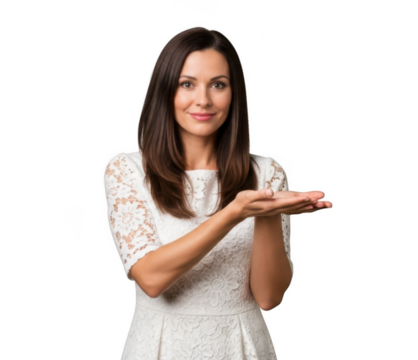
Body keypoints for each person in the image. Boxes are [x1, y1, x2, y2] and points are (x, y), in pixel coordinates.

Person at [103, 27, 333, 359]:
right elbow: (151, 278)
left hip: (243, 347)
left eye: (218, 85)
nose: (204, 100)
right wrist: (235, 213)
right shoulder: (128, 171)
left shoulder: (267, 173)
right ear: (165, 91)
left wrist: (265, 211)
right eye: (187, 84)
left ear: (234, 93)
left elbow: (269, 298)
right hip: (158, 347)